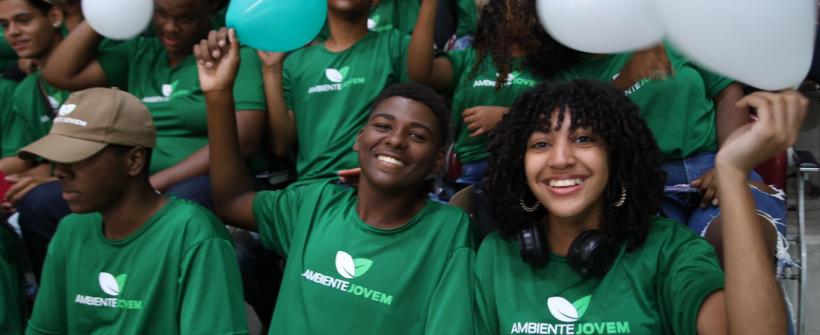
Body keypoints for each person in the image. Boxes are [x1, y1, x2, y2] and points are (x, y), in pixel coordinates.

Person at [197, 28, 474, 333]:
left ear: (438, 161)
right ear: (360, 139)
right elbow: (230, 201)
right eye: (383, 126)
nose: (395, 140)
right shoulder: (313, 204)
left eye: (417, 135)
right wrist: (218, 94)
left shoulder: (448, 230)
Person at [476, 80, 804, 334]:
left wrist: (731, 173)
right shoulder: (495, 256)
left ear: (615, 157)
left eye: (583, 139)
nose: (561, 159)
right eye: (541, 144)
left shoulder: (669, 251)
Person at [23, 87, 247, 334]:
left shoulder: (192, 233)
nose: (59, 172)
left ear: (134, 161)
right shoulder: (70, 230)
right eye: (56, 159)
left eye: (77, 158)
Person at [556, 44, 785, 266]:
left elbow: (726, 92)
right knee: (661, 264)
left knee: (735, 237)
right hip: (638, 185)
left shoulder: (676, 34)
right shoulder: (560, 66)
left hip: (715, 165)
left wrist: (731, 165)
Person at [409, 0, 577, 188]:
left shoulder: (558, 70)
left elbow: (569, 122)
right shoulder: (472, 58)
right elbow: (420, 73)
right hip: (468, 175)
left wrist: (508, 117)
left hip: (528, 173)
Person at [262, 0, 415, 187]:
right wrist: (271, 69)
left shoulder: (396, 45)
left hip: (374, 183)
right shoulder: (295, 64)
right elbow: (281, 145)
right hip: (313, 189)